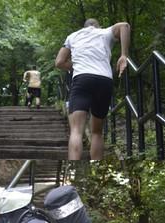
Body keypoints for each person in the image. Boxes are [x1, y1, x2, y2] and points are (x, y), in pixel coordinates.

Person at [55, 18, 130, 162]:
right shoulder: (104, 32)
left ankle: (74, 166)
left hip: (82, 80)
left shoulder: (73, 36)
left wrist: (75, 66)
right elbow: (125, 26)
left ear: (84, 27)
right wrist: (123, 55)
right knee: (97, 132)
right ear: (97, 26)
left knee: (76, 131)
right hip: (104, 81)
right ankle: (98, 169)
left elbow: (59, 62)